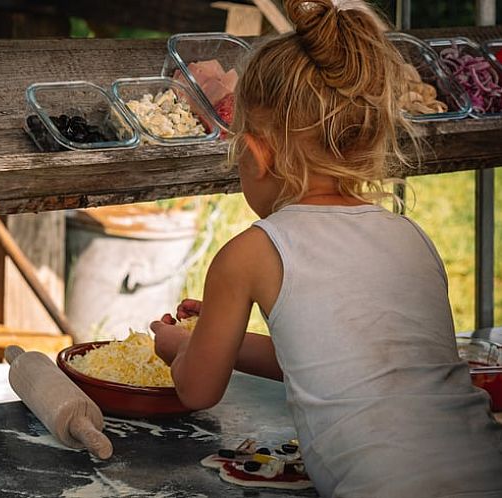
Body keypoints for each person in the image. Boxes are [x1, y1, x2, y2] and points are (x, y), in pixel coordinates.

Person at [150, 1, 502, 496]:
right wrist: (217, 334)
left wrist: (181, 348)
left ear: (256, 153)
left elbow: (197, 389)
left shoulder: (249, 253)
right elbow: (347, 363)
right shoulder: (411, 237)